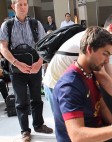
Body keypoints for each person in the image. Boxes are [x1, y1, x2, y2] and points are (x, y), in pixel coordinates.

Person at [43, 12, 112, 120]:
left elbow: (111, 79)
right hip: (56, 82)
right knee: (68, 129)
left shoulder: (106, 44)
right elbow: (103, 78)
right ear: (111, 27)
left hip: (73, 82)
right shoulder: (95, 40)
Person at [53, 26, 112, 142]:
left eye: (109, 55)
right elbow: (77, 136)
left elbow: (102, 106)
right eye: (105, 54)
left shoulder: (90, 72)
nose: (106, 61)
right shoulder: (69, 86)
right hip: (86, 137)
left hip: (98, 128)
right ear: (89, 49)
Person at [0, 0, 53, 142]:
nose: (23, 7)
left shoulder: (36, 24)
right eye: (19, 4)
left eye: (25, 4)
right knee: (21, 101)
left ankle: (39, 124)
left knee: (37, 98)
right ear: (13, 6)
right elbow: (3, 48)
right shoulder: (7, 25)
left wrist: (39, 63)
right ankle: (25, 131)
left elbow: (44, 47)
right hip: (17, 70)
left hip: (35, 66)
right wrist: (17, 63)